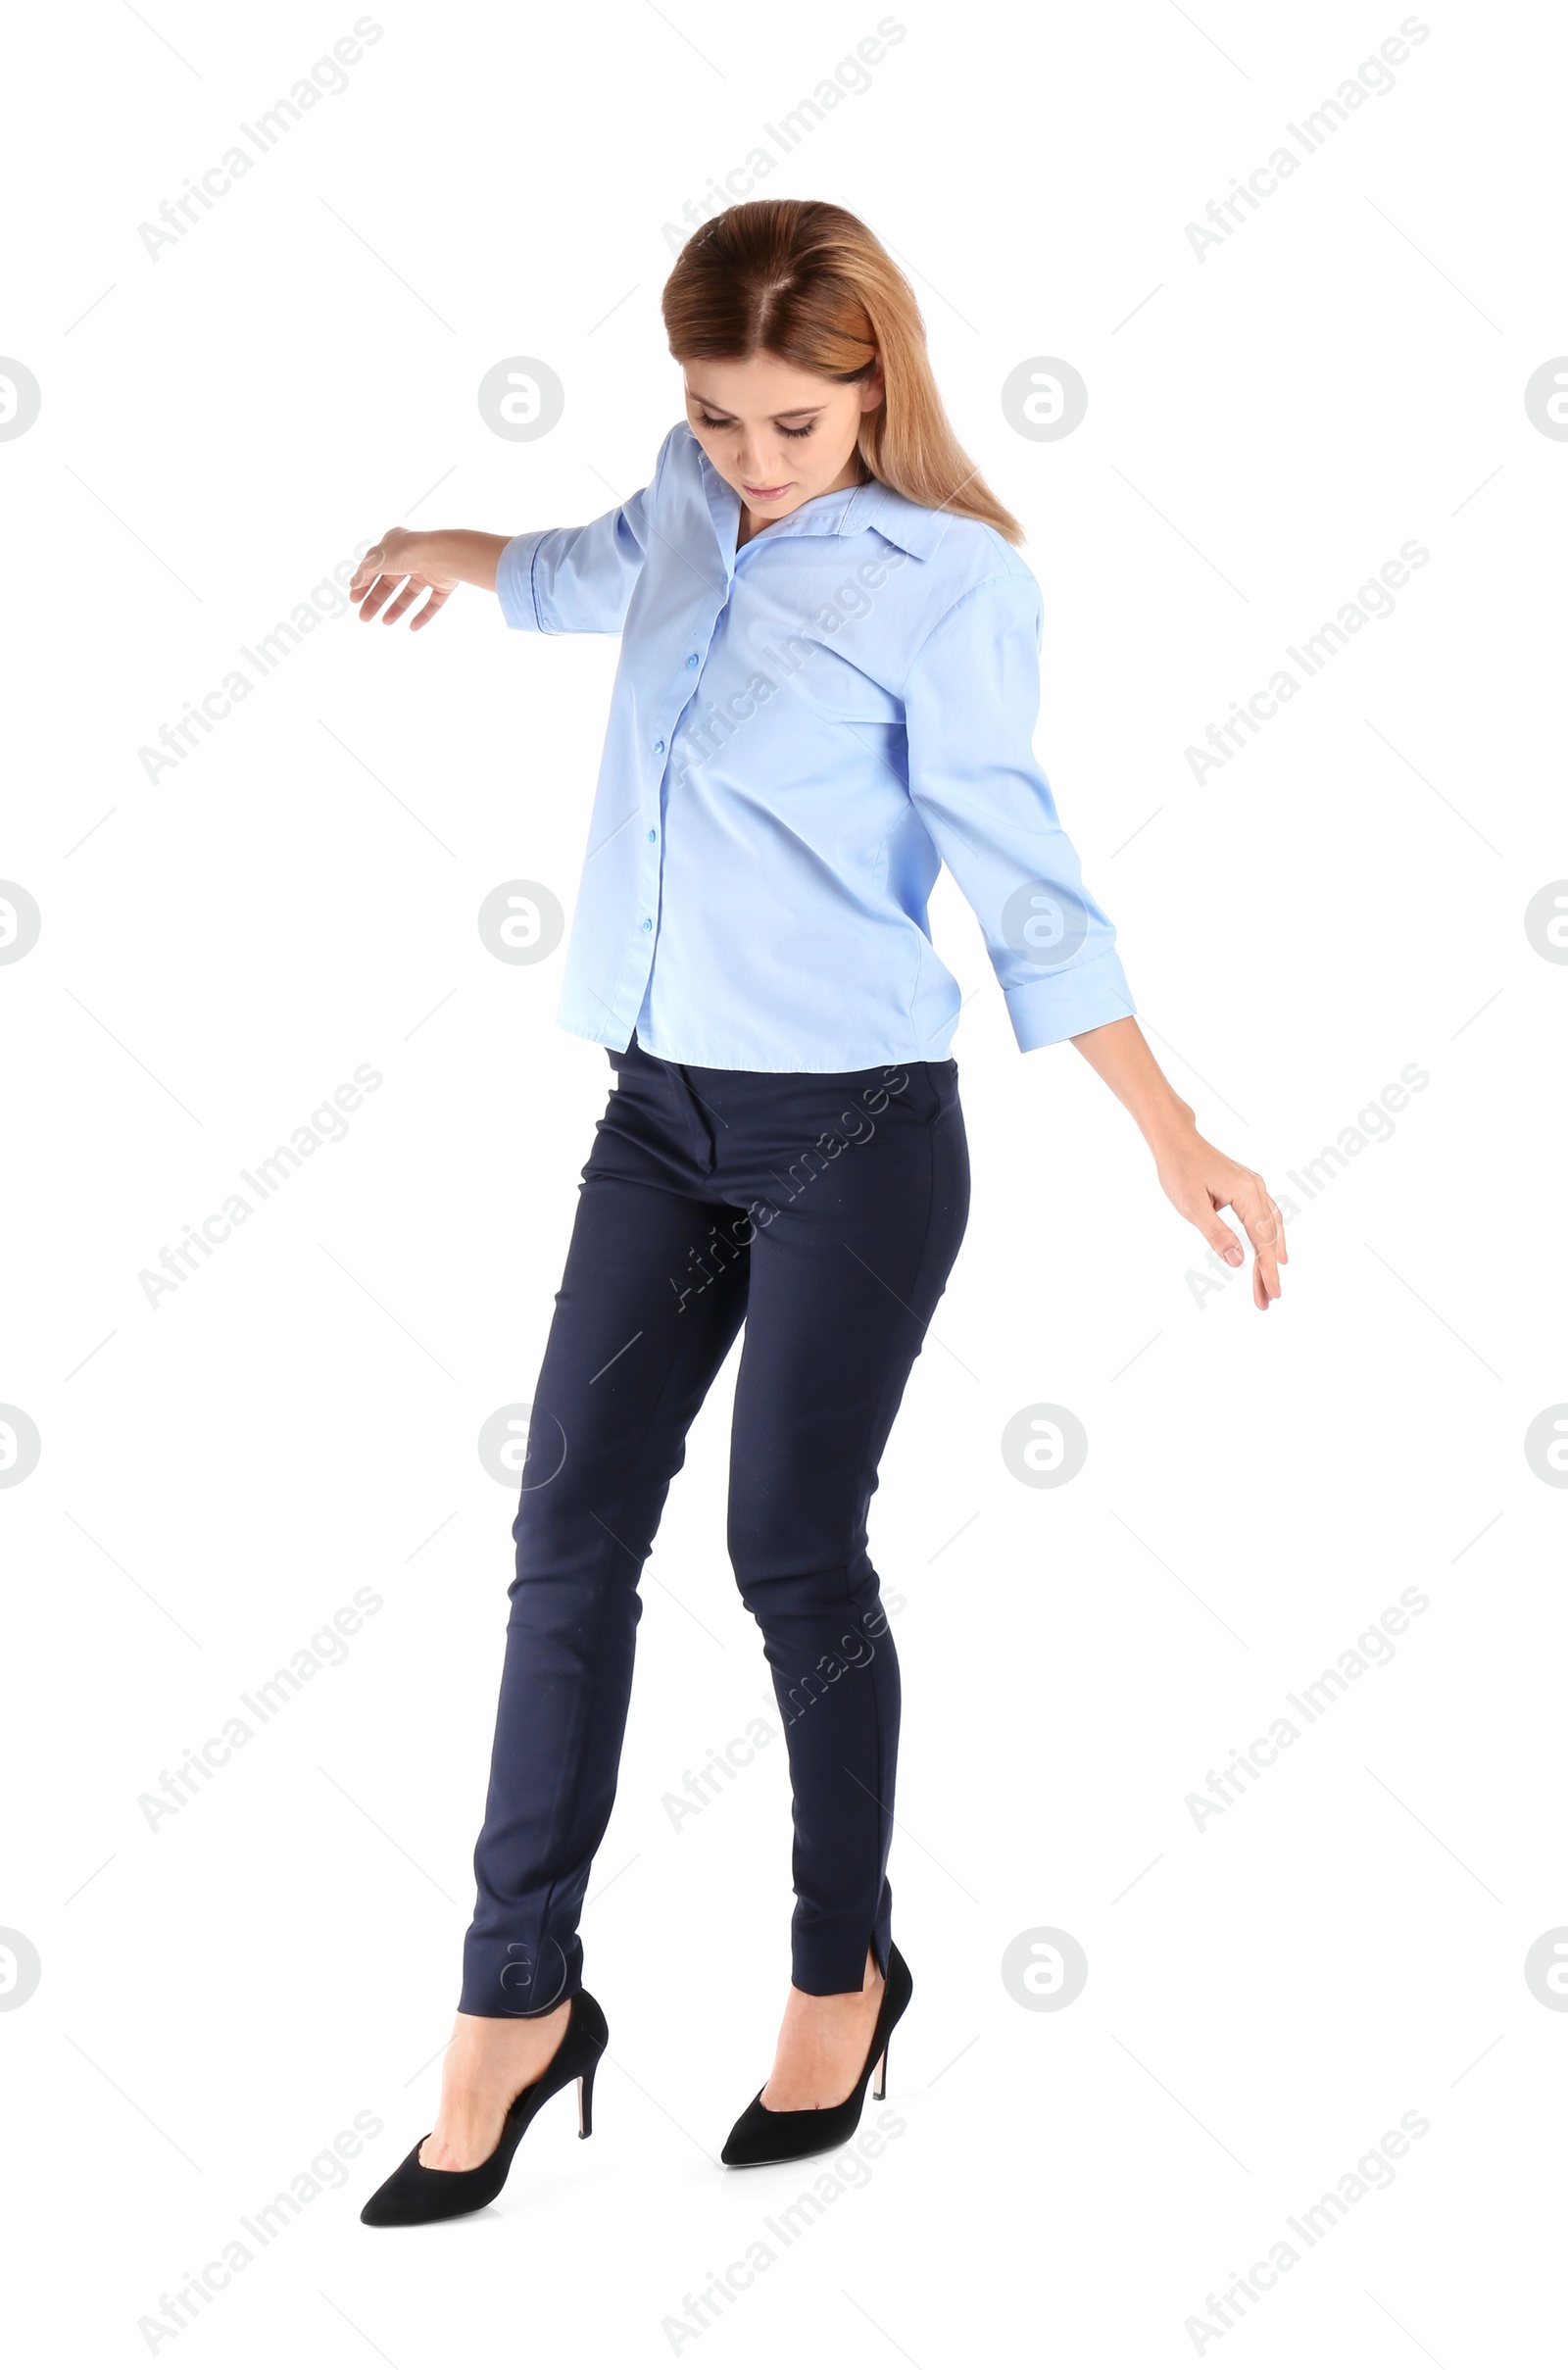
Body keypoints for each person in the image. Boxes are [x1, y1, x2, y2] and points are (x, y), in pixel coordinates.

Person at [352, 198, 1285, 2227]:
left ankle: (836, 1968)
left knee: (787, 1547)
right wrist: (452, 552)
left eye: (791, 421)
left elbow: (1018, 869)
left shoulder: (948, 585)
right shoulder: (687, 503)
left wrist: (1166, 1124)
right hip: (655, 1116)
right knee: (562, 1534)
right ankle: (514, 2003)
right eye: (712, 416)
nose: (749, 459)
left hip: (850, 1134)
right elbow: (588, 570)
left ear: (875, 385)